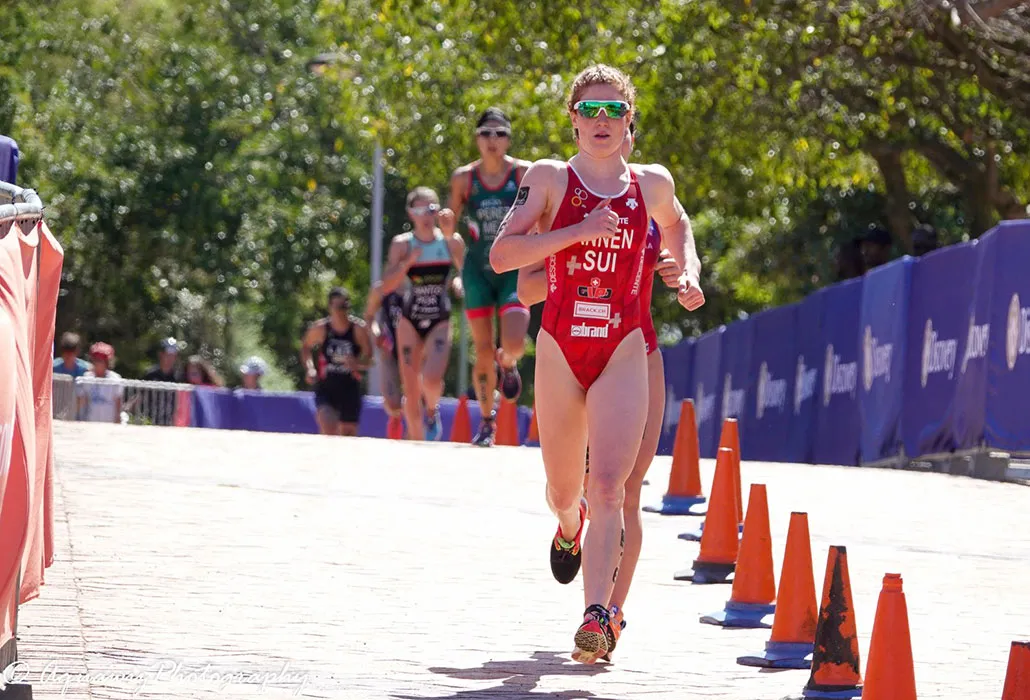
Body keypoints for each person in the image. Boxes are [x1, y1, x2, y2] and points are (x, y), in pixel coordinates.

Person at [489, 64, 705, 664]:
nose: (602, 121)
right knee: (565, 489)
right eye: (592, 111)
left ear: (630, 119)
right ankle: (568, 526)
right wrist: (577, 231)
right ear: (574, 119)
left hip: (626, 346)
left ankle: (597, 617)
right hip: (561, 347)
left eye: (615, 111)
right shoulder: (550, 179)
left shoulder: (652, 184)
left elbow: (678, 225)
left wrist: (684, 271)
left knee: (611, 486)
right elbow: (504, 256)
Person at [447, 108, 533, 446]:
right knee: (482, 350)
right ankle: (486, 422)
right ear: (477, 139)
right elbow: (451, 230)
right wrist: (456, 267)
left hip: (513, 269)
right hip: (478, 270)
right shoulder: (464, 179)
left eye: (499, 133)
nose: (492, 140)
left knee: (512, 343)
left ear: (509, 138)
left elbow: (542, 213)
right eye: (485, 133)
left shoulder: (523, 172)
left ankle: (508, 363)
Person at [380, 187, 465, 441]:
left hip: (438, 318)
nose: (426, 215)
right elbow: (386, 286)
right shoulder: (402, 244)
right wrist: (407, 262)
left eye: (431, 208)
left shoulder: (449, 241)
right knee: (411, 388)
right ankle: (416, 441)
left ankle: (432, 410)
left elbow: (466, 273)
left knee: (431, 380)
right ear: (410, 213)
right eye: (420, 210)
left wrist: (458, 283)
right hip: (409, 319)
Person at [301, 287, 374, 437]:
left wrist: (357, 363)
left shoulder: (358, 329)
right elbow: (306, 347)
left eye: (346, 306)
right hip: (327, 387)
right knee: (328, 426)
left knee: (348, 434)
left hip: (350, 387)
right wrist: (310, 368)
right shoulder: (321, 328)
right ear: (330, 307)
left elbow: (370, 360)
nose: (343, 311)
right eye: (339, 307)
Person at [364, 280, 406, 440]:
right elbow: (369, 316)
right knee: (392, 403)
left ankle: (418, 433)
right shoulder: (382, 289)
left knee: (414, 400)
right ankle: (395, 429)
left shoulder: (417, 285)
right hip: (390, 349)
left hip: (414, 350)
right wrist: (376, 335)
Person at [77, 342, 124, 423]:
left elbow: (118, 404)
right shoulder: (86, 378)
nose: (95, 363)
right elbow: (80, 402)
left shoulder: (115, 379)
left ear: (106, 362)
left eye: (99, 361)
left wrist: (118, 421)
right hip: (90, 423)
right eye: (94, 360)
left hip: (109, 423)